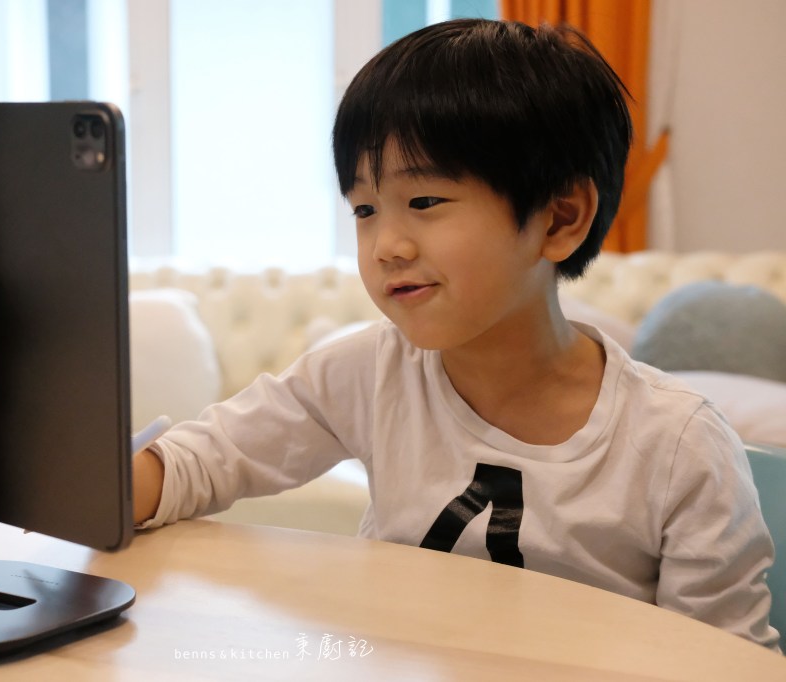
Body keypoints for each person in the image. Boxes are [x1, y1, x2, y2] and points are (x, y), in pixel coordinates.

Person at [132, 18, 780, 650]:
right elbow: (202, 460)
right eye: (364, 209)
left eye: (424, 202)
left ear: (560, 219)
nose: (385, 245)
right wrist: (111, 485)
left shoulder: (678, 445)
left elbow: (723, 658)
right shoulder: (366, 373)